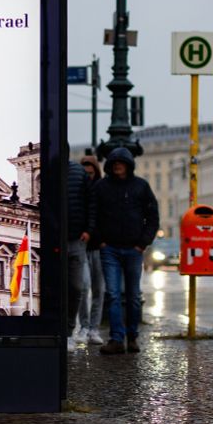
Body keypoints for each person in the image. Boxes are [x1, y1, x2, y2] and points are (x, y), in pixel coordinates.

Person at [93, 147, 159, 355]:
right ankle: (116, 338)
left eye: (121, 163)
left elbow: (153, 217)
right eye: (114, 163)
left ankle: (132, 337)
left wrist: (143, 243)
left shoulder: (141, 186)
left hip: (133, 248)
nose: (117, 166)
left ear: (128, 165)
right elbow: (93, 215)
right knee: (112, 294)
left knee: (132, 295)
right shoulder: (102, 187)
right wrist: (101, 241)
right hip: (109, 248)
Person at [66, 155, 96, 351]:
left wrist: (89, 229)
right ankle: (61, 330)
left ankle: (69, 331)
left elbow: (91, 202)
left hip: (77, 238)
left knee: (77, 287)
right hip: (55, 238)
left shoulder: (78, 172)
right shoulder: (49, 169)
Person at [77, 155, 106, 345]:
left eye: (91, 172)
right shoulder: (78, 191)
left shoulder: (102, 191)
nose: (88, 176)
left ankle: (93, 329)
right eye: (85, 173)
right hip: (82, 246)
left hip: (99, 247)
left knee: (99, 290)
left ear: (96, 172)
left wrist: (104, 240)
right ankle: (84, 327)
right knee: (83, 287)